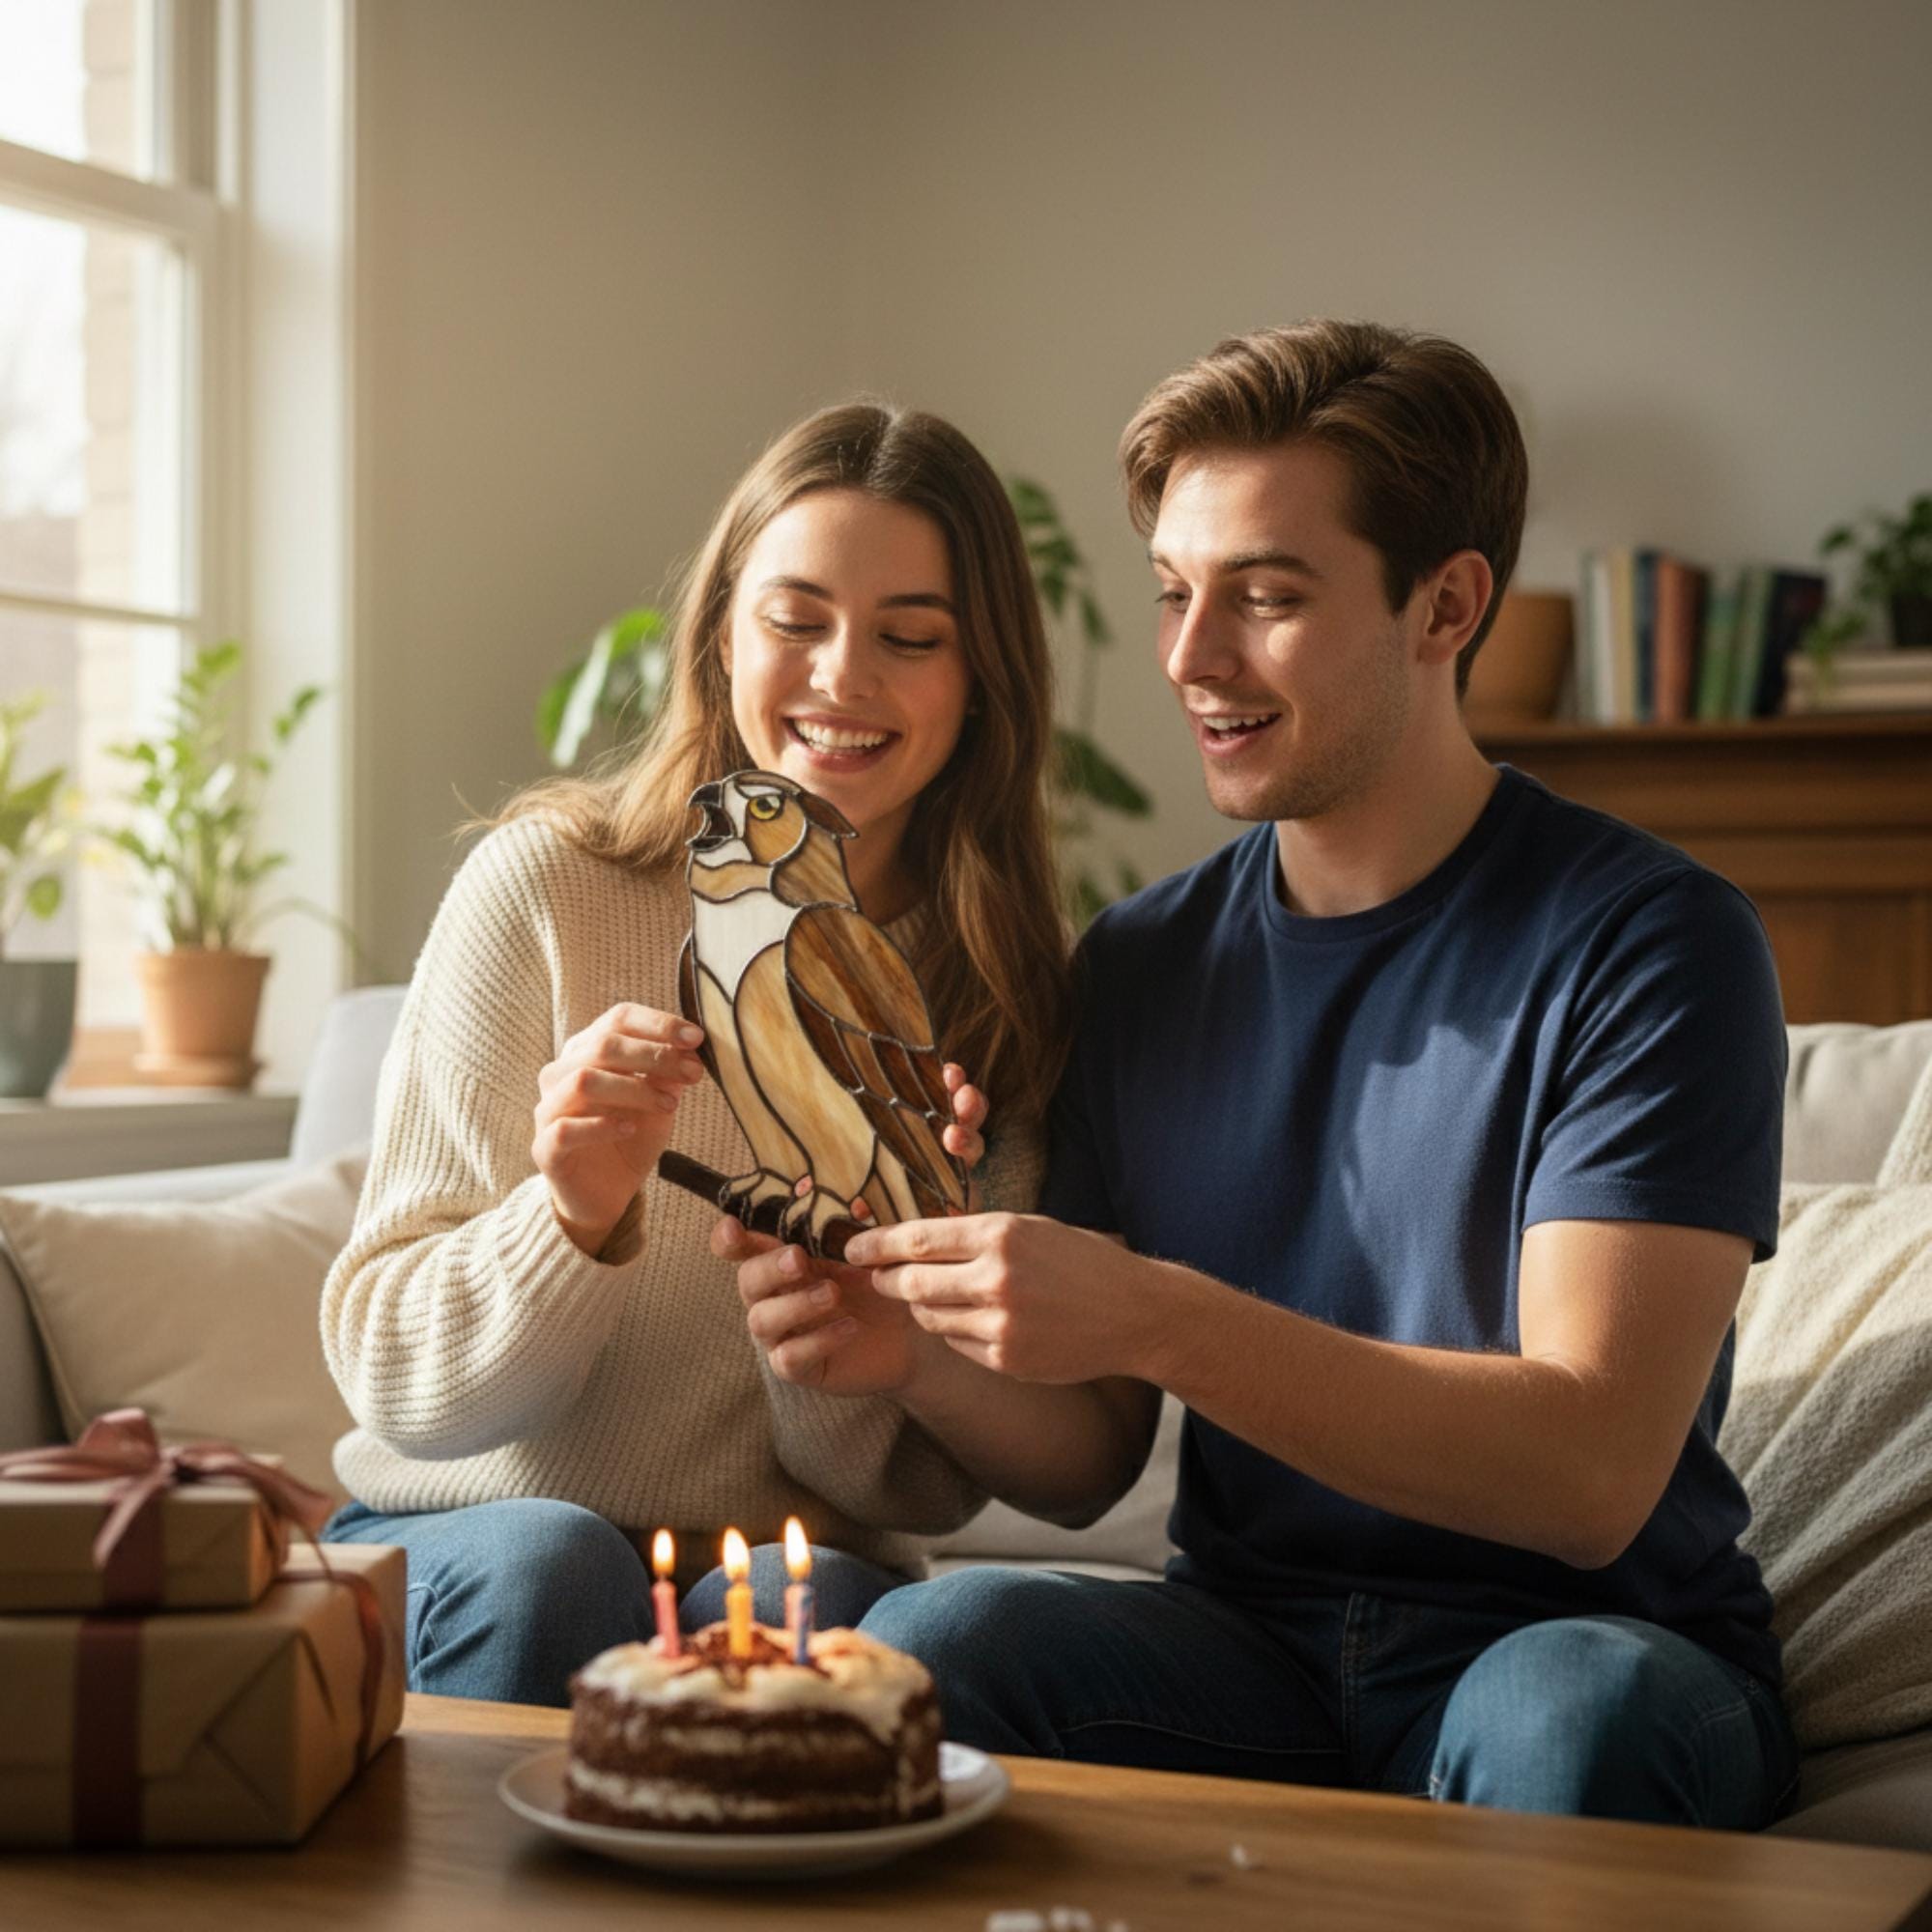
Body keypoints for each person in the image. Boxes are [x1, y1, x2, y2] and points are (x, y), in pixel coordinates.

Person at [725, 321, 1800, 1828]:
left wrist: (1157, 1311)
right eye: (1175, 593)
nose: (1191, 659)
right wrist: (917, 1353)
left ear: (1447, 605)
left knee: (1571, 1719)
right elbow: (1090, 1460)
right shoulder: (1140, 964)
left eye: (1268, 598)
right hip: (1252, 1651)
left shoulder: (1651, 944)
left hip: (1586, 1641)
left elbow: (1589, 1476)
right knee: (937, 1642)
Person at [320, 401, 1071, 1705]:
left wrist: (841, 1332)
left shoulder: (993, 993)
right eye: (796, 621)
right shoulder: (551, 890)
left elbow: (925, 1492)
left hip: (787, 1557)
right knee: (552, 1568)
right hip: (472, 1541)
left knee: (816, 1616)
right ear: (723, 638)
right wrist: (567, 1215)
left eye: (911, 637)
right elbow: (396, 1387)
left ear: (981, 678)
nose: (844, 678)